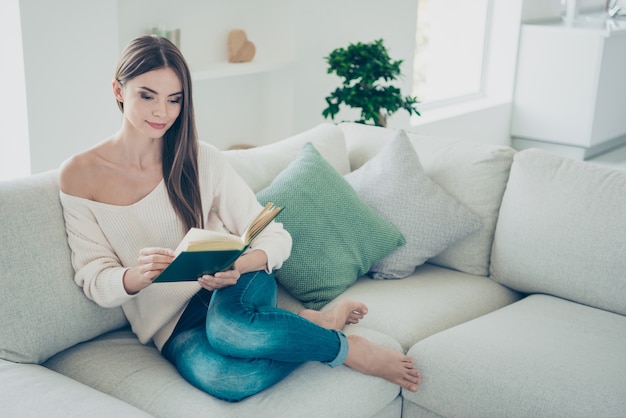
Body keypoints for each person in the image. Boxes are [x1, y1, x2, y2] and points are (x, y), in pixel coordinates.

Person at [58, 35, 421, 402]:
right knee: (230, 380)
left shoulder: (201, 159)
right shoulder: (79, 175)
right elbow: (93, 276)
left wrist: (238, 265)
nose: (162, 113)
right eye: (147, 95)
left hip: (235, 285)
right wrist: (136, 276)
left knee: (229, 329)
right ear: (119, 91)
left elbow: (274, 235)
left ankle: (348, 350)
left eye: (174, 99)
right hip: (172, 324)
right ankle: (312, 324)